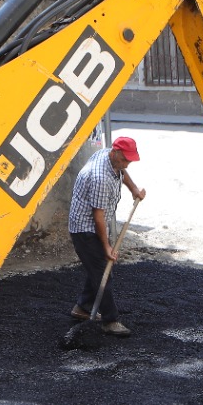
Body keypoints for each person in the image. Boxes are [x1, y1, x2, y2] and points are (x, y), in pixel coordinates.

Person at [67, 135, 146, 337]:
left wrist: (134, 189)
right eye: (125, 159)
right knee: (104, 272)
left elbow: (122, 172)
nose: (127, 163)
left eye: (129, 160)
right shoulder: (99, 177)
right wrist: (107, 247)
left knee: (99, 270)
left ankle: (83, 307)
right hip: (85, 229)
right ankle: (110, 321)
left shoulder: (108, 157)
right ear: (115, 152)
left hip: (91, 225)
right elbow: (98, 216)